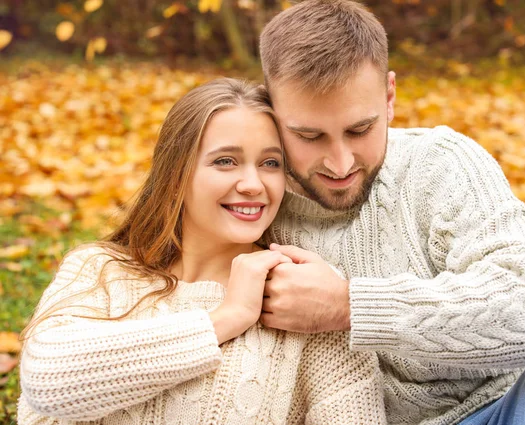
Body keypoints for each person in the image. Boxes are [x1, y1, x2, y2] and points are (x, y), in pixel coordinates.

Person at [257, 1, 525, 424]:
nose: (341, 163)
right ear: (271, 115)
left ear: (389, 96)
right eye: (309, 136)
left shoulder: (438, 163)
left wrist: (350, 305)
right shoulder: (253, 204)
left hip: (509, 408)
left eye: (359, 130)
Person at [17, 78, 387, 425]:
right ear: (177, 173)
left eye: (270, 163)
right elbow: (47, 379)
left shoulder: (305, 293)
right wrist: (227, 317)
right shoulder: (103, 269)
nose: (252, 184)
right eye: (225, 161)